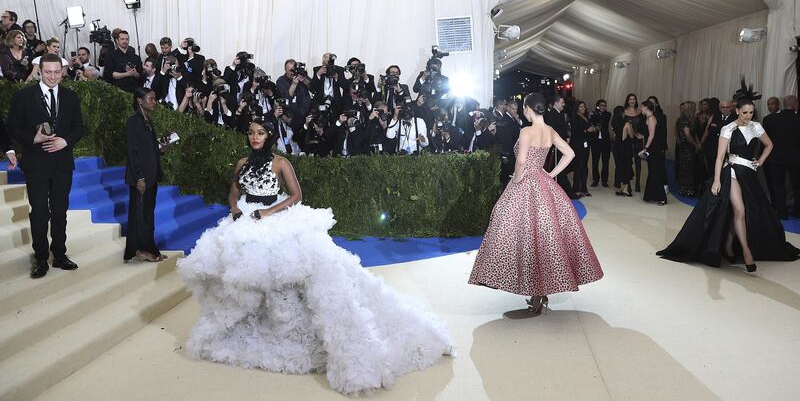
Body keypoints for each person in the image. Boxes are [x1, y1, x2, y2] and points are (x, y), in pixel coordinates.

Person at [177, 117, 452, 395]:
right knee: (245, 277)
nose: (254, 137)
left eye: (260, 133)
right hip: (245, 219)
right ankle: (260, 327)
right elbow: (233, 193)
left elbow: (296, 195)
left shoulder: (281, 162)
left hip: (274, 217)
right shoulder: (241, 164)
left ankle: (294, 332)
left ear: (269, 135)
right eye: (251, 133)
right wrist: (236, 209)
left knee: (291, 272)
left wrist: (269, 213)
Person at [468, 93, 603, 314]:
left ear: (529, 108)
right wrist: (550, 175)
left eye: (524, 107)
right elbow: (570, 153)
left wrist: (518, 179)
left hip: (525, 183)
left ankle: (529, 286)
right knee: (543, 237)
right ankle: (540, 291)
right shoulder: (550, 131)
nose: (523, 111)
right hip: (543, 182)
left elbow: (521, 161)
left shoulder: (526, 131)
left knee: (516, 233)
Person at [657, 82, 799, 271]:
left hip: (749, 173)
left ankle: (729, 242)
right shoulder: (728, 128)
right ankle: (746, 252)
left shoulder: (756, 127)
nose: (749, 116)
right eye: (745, 112)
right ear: (737, 111)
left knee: (750, 211)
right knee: (739, 210)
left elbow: (770, 145)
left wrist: (761, 161)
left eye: (751, 112)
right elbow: (719, 157)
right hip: (731, 171)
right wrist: (716, 180)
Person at [5, 53, 86, 278]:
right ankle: (41, 258)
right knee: (39, 213)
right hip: (36, 164)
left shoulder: (71, 97)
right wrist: (34, 138)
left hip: (62, 164)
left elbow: (79, 127)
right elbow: (12, 127)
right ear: (40, 71)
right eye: (48, 72)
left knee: (60, 212)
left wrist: (65, 141)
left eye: (57, 72)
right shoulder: (23, 96)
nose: (52, 76)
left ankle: (60, 254)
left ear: (62, 71)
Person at [124, 87, 168, 263]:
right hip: (140, 178)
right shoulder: (133, 122)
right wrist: (140, 176)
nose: (154, 102)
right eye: (150, 99)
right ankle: (142, 250)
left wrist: (162, 149)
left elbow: (148, 149)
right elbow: (133, 152)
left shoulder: (147, 121)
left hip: (152, 176)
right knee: (140, 215)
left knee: (147, 214)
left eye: (154, 98)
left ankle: (147, 248)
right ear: (139, 101)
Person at [640, 100, 667, 205]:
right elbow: (646, 135)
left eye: (642, 107)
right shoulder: (647, 118)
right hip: (652, 148)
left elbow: (651, 135)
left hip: (654, 149)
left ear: (646, 108)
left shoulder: (651, 119)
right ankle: (650, 195)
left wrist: (645, 148)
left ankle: (662, 198)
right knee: (652, 171)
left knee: (655, 172)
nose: (641, 109)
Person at [570, 101, 595, 197]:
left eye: (584, 106)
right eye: (580, 107)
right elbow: (575, 132)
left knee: (584, 166)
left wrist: (591, 129)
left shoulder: (586, 116)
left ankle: (584, 188)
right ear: (577, 108)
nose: (583, 108)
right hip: (578, 144)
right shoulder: (575, 117)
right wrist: (586, 130)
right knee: (578, 166)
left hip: (586, 144)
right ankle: (576, 189)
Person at [675, 101, 700, 197]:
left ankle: (683, 189)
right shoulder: (686, 120)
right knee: (688, 168)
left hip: (684, 146)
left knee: (684, 168)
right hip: (687, 147)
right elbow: (688, 135)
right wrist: (695, 145)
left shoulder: (683, 119)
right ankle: (688, 189)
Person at [611, 105, 634, 197]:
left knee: (618, 167)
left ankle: (618, 188)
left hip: (616, 147)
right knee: (627, 167)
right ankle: (625, 189)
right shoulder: (627, 124)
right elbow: (631, 136)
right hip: (625, 147)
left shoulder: (613, 124)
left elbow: (613, 136)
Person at [589, 99, 611, 187]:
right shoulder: (594, 114)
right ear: (598, 106)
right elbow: (591, 122)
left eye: (604, 105)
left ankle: (604, 180)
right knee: (595, 161)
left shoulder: (608, 114)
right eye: (601, 105)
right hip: (595, 141)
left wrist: (595, 114)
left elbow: (602, 120)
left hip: (605, 141)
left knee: (605, 162)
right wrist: (594, 114)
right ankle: (596, 179)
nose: (603, 107)